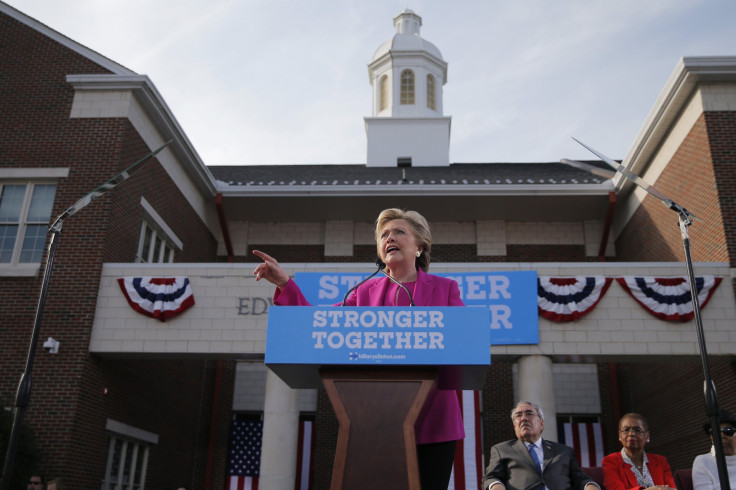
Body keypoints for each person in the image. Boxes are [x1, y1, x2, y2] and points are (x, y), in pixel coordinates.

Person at [253, 208, 464, 490]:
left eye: (399, 232)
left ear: (420, 246)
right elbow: (322, 325)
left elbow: (462, 340)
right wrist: (284, 284)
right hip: (375, 419)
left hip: (434, 420)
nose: (390, 238)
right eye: (384, 235)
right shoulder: (364, 292)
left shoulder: (445, 289)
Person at [482, 400, 599, 490]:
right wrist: (496, 486)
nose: (523, 418)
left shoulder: (564, 451)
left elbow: (580, 478)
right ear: (514, 427)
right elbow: (490, 477)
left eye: (529, 413)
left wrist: (590, 486)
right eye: (518, 415)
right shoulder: (502, 450)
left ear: (541, 423)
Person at [602, 413, 676, 490]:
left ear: (647, 436)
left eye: (637, 430)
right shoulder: (610, 461)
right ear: (620, 435)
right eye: (626, 430)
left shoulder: (660, 461)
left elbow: (672, 488)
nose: (631, 434)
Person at [692, 408, 736, 489]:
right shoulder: (703, 462)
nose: (722, 436)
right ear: (711, 437)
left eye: (728, 430)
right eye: (715, 432)